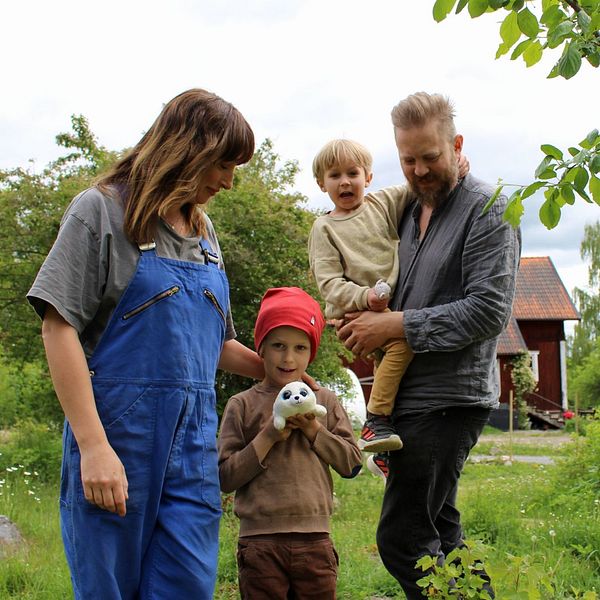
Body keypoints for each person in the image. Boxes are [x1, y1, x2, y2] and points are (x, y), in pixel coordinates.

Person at [27, 89, 266, 599]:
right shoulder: (102, 212)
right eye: (223, 164)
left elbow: (215, 346)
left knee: (187, 586)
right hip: (121, 440)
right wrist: (93, 448)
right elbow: (58, 326)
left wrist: (279, 372)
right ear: (189, 150)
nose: (228, 180)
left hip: (195, 446)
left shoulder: (205, 234)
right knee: (109, 587)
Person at [338, 92, 520, 599]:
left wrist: (396, 325)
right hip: (406, 400)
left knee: (402, 538)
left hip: (448, 398)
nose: (419, 170)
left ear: (456, 145)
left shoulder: (487, 209)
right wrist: (357, 314)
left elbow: (489, 311)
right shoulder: (405, 211)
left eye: (430, 157)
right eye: (408, 159)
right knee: (441, 532)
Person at [218, 287, 362, 600]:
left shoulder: (324, 401)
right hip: (259, 544)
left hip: (315, 542)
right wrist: (268, 436)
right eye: (278, 346)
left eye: (299, 347)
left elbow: (351, 464)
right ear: (261, 349)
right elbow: (225, 478)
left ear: (311, 352)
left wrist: (314, 430)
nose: (288, 357)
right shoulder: (241, 405)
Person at [308, 139, 413, 453]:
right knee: (404, 342)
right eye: (334, 175)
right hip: (354, 312)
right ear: (321, 183)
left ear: (368, 177)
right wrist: (365, 297)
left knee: (393, 371)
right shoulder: (324, 228)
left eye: (352, 173)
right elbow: (329, 283)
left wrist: (455, 166)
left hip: (386, 306)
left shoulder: (382, 203)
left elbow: (417, 185)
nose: (344, 181)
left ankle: (382, 453)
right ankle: (375, 421)